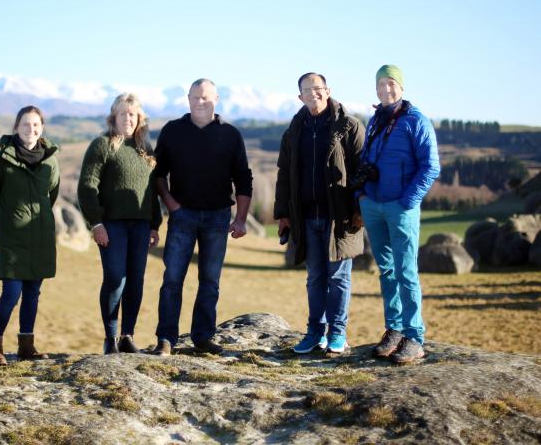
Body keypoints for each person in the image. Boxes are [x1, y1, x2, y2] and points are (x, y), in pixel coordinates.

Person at [152, 78, 253, 356]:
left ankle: (203, 337)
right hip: (182, 216)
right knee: (172, 279)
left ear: (216, 100)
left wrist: (241, 218)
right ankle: (166, 338)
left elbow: (243, 177)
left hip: (218, 217)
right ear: (187, 99)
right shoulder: (173, 131)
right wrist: (171, 204)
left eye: (205, 98)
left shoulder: (231, 134)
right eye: (195, 97)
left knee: (210, 281)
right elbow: (158, 173)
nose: (200, 102)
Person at [274, 72, 365, 355]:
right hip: (305, 216)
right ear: (299, 96)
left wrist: (359, 209)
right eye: (306, 90)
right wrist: (283, 214)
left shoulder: (349, 126)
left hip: (340, 217)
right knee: (314, 277)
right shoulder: (294, 130)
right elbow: (284, 175)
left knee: (338, 277)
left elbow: (364, 170)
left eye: (317, 88)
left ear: (328, 91)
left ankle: (337, 334)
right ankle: (315, 333)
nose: (312, 93)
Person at [358, 65, 440, 363]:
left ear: (401, 87)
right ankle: (394, 329)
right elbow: (365, 159)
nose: (386, 89)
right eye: (381, 84)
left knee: (406, 272)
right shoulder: (375, 120)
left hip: (400, 207)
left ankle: (415, 337)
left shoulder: (416, 120)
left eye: (391, 83)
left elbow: (430, 166)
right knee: (387, 270)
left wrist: (408, 201)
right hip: (374, 205)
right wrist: (361, 195)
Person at [78, 93, 162, 354]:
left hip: (141, 225)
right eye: (123, 113)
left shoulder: (145, 149)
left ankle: (127, 336)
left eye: (133, 114)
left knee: (136, 280)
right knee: (115, 278)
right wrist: (96, 223)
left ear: (140, 119)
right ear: (113, 117)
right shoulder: (102, 145)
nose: (128, 118)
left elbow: (151, 190)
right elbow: (87, 187)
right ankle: (110, 338)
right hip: (111, 225)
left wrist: (155, 224)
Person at [0, 106, 60, 366]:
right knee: (11, 293)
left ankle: (26, 347)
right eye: (26, 124)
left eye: (36, 125)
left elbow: (51, 195)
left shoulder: (50, 160)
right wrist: (6, 223)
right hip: (12, 240)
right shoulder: (1, 159)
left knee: (33, 293)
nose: (31, 129)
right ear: (16, 127)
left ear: (42, 128)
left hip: (39, 239)